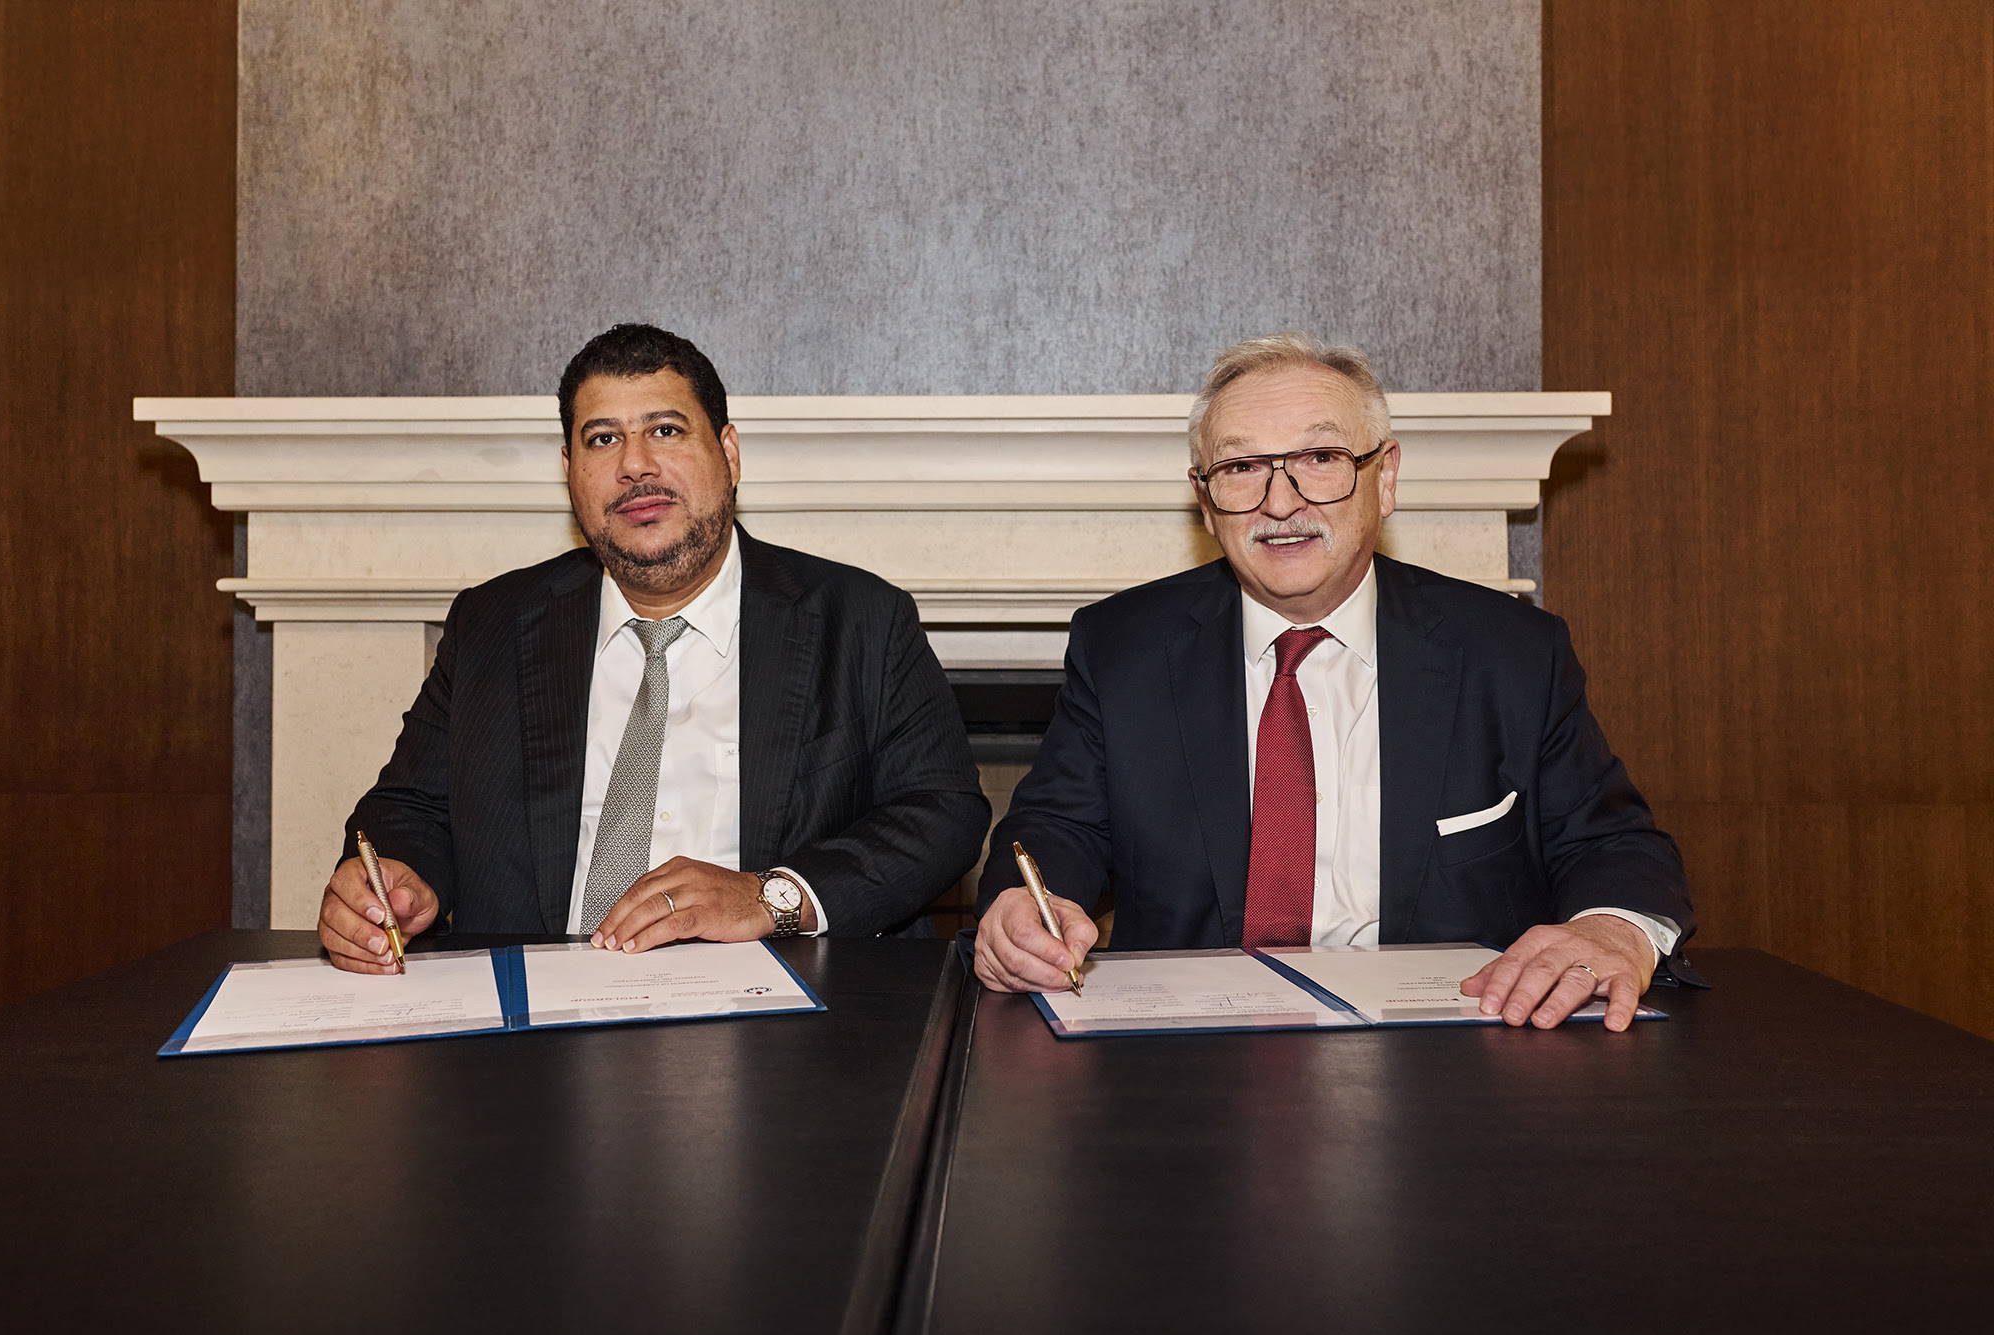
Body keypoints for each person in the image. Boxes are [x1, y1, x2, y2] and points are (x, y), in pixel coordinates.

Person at [974, 333, 1697, 1030]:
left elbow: (1614, 845)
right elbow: (1057, 828)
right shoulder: (1123, 648)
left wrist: (1611, 929)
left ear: (1385, 477)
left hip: (1451, 1053)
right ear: (1204, 500)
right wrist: (1022, 910)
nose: (1280, 502)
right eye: (1242, 467)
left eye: (1319, 458)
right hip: (1189, 1051)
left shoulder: (1510, 652)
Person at [319, 323, 990, 972]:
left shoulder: (861, 620)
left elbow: (944, 812)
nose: (634, 465)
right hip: (535, 1014)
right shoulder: (491, 623)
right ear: (570, 471)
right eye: (602, 438)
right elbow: (409, 810)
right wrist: (395, 882)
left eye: (665, 430)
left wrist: (770, 896)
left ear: (728, 454)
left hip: (771, 1012)